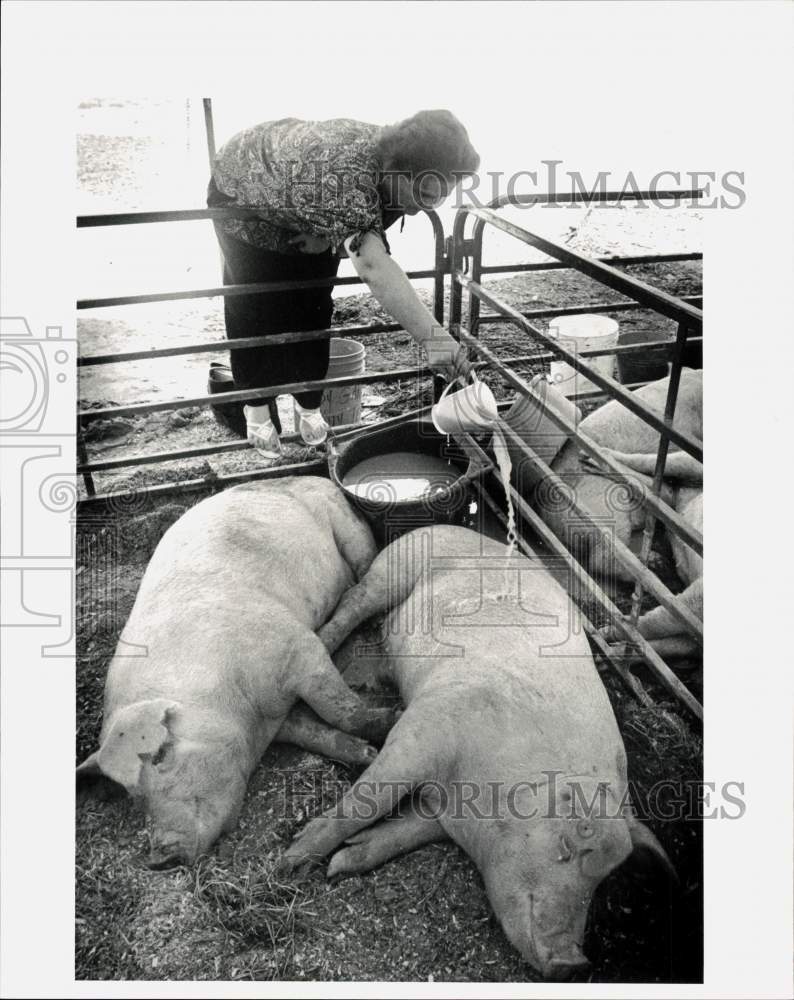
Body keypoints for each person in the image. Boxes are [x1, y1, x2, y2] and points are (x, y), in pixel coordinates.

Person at [207, 110, 480, 457]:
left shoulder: (386, 164)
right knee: (256, 304)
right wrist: (434, 338)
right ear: (396, 169)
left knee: (314, 302)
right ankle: (256, 412)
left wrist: (328, 236)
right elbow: (371, 264)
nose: (431, 206)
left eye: (442, 195)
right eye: (426, 194)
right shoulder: (347, 176)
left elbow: (357, 222)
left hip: (305, 190)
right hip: (244, 190)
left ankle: (308, 406)